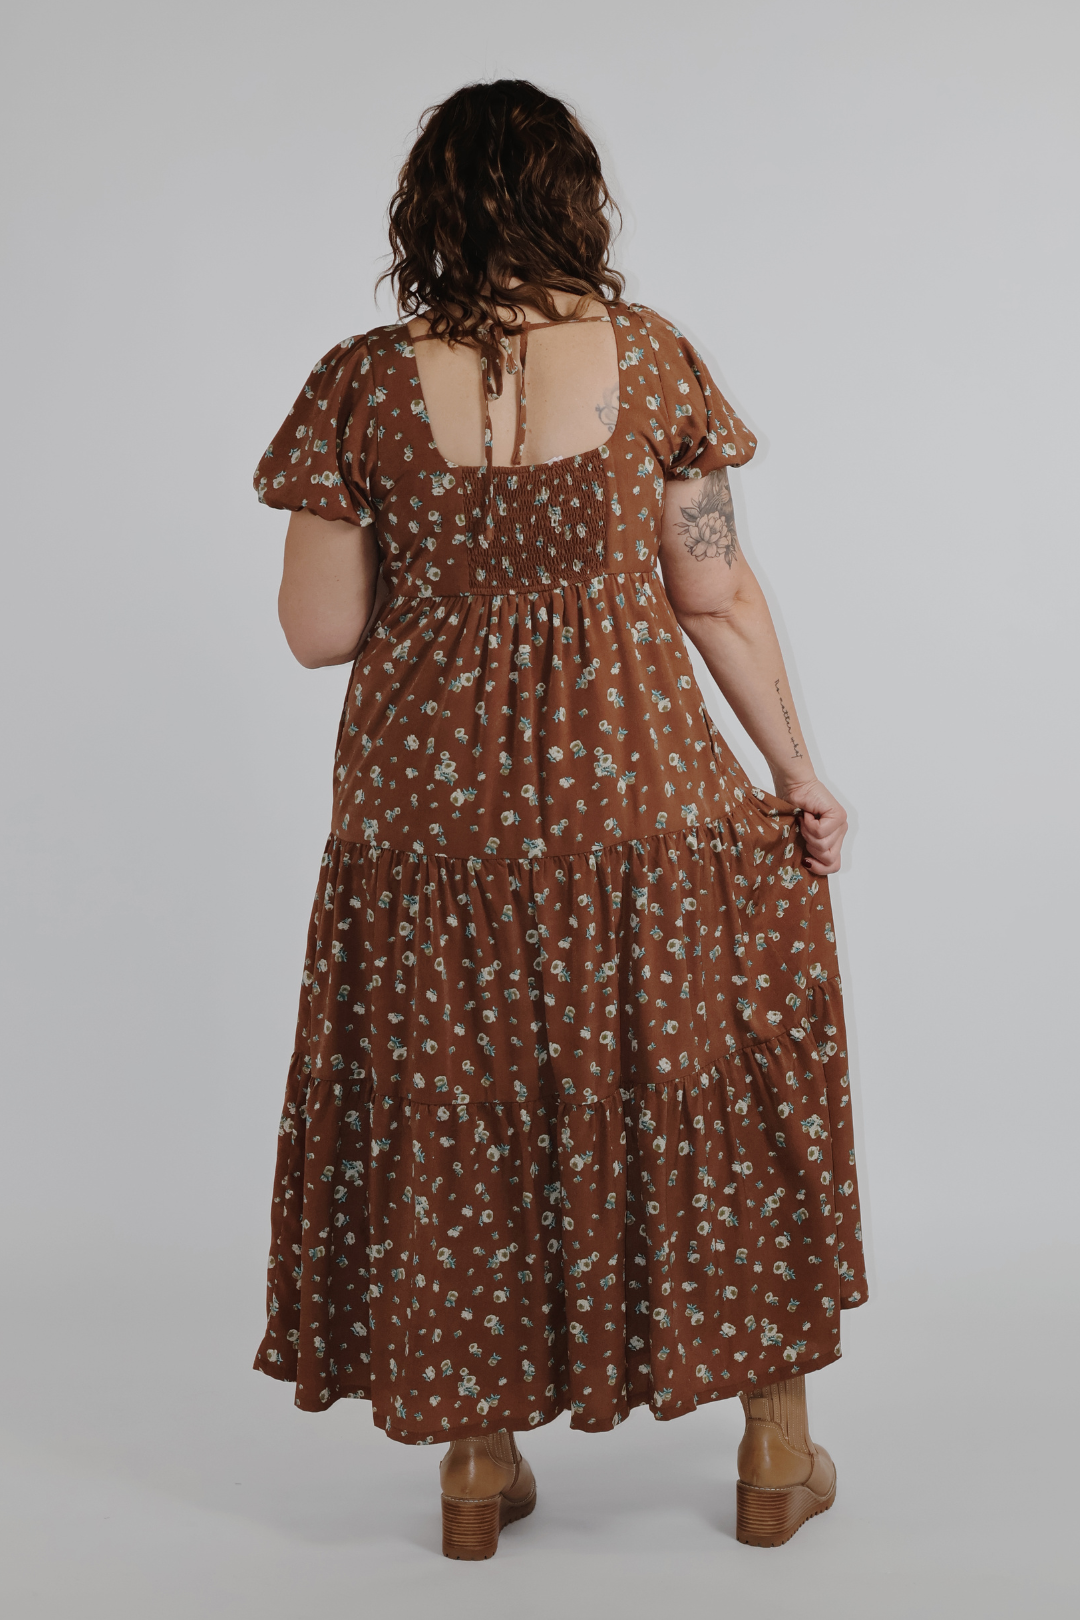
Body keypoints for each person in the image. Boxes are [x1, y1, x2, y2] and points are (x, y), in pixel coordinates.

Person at [252, 78, 867, 1559]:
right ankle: (774, 1450)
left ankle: (476, 1470)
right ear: (576, 201)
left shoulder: (357, 384)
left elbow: (317, 634)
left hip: (429, 827)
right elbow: (714, 594)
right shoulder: (651, 362)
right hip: (633, 797)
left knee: (461, 1096)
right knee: (718, 1062)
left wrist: (444, 567)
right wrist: (797, 771)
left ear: (427, 211)